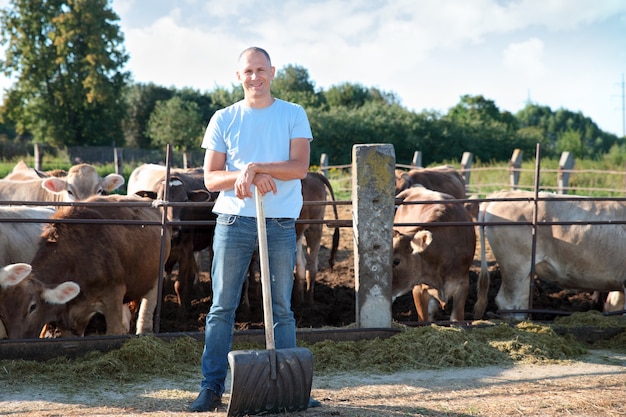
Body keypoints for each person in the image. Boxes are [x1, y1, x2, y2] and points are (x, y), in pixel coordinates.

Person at [189, 46, 319, 412]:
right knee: (221, 307)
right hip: (233, 221)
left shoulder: (293, 114)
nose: (255, 77)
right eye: (248, 71)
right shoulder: (224, 118)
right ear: (239, 76)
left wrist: (256, 167)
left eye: (261, 70)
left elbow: (299, 168)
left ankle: (293, 388)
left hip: (279, 223)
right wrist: (246, 174)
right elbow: (212, 178)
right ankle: (211, 387)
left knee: (281, 308)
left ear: (272, 72)